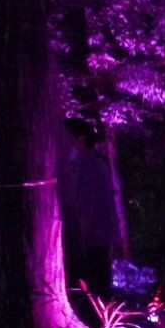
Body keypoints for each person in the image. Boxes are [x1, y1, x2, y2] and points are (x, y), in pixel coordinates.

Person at [59, 119, 127, 293]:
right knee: (96, 281)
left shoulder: (90, 165)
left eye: (67, 138)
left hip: (94, 237)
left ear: (80, 140)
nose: (65, 143)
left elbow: (87, 204)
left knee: (95, 283)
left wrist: (79, 235)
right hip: (97, 235)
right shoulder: (91, 164)